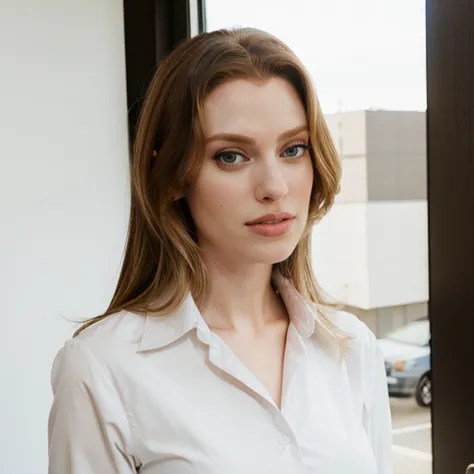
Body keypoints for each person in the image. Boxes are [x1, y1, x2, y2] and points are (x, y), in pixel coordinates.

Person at [48, 27, 393, 474]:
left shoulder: (351, 348)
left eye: (293, 149)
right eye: (231, 156)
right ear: (171, 175)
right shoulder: (102, 367)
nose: (274, 187)